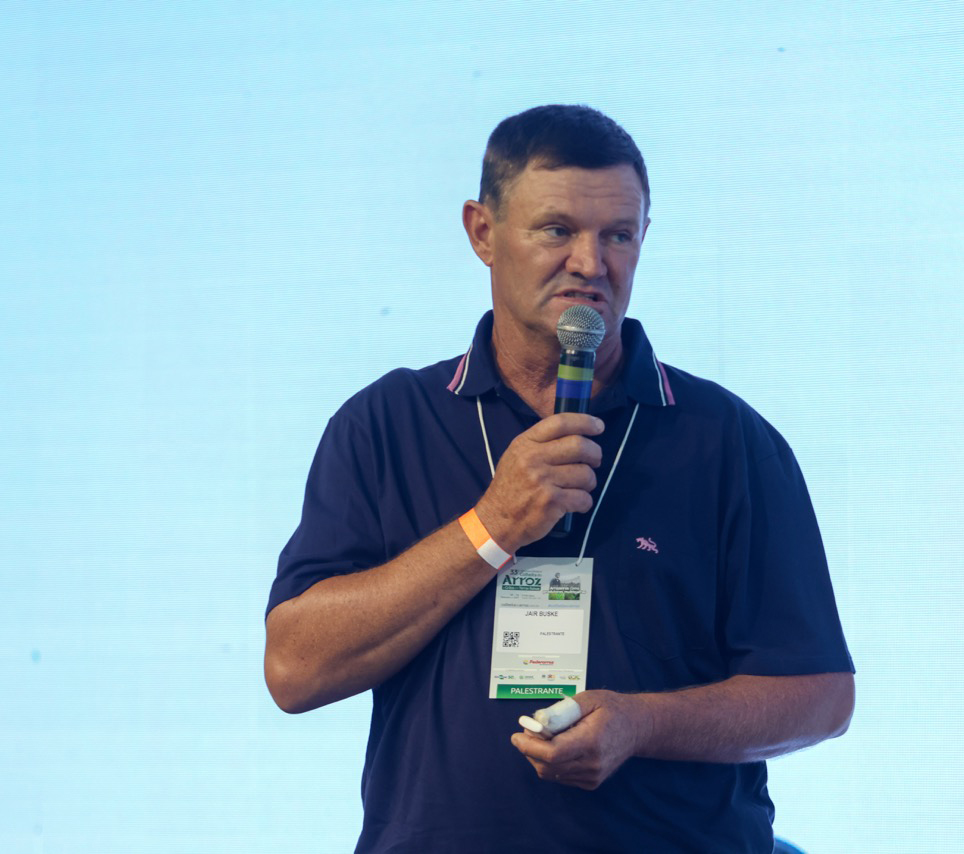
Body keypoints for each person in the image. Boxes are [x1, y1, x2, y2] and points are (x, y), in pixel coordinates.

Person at [264, 104, 855, 853]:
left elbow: (819, 696)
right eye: (557, 230)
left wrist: (643, 724)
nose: (590, 263)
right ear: (482, 232)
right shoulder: (386, 424)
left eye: (618, 235)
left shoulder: (726, 439)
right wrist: (492, 526)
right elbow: (295, 669)